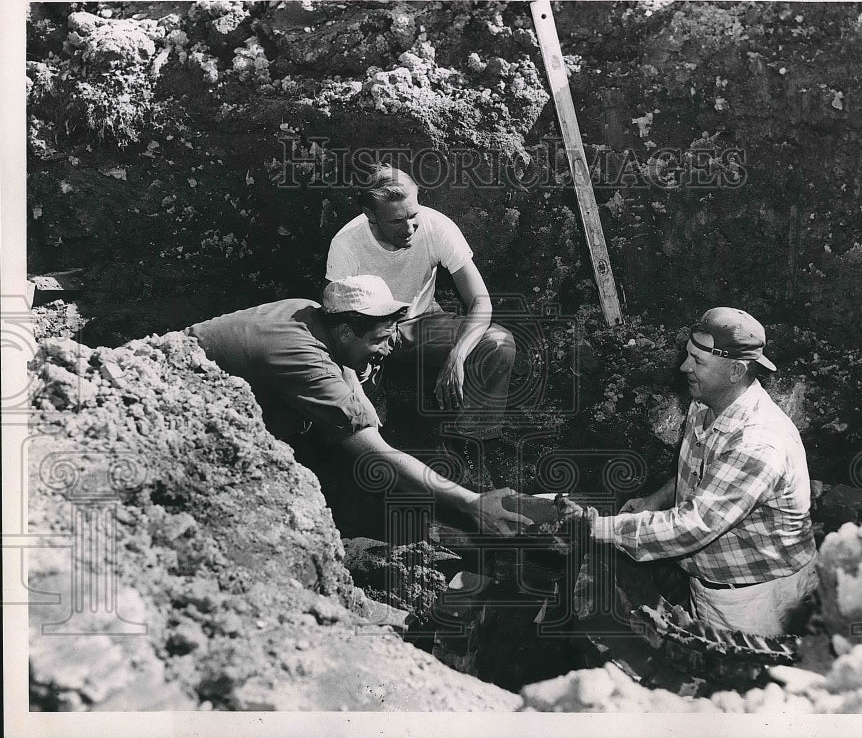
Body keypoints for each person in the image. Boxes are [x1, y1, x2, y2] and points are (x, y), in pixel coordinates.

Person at [187, 275, 529, 537]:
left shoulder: (309, 310)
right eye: (379, 340)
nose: (387, 350)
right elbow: (377, 454)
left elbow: (341, 362)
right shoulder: (308, 363)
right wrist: (471, 503)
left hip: (200, 374)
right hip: (186, 405)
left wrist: (355, 387)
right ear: (346, 333)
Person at [558, 307, 817, 636]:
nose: (684, 367)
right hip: (714, 584)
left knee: (746, 669)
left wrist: (596, 528)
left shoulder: (758, 444)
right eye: (687, 355)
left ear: (736, 371)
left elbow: (692, 526)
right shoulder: (705, 403)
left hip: (759, 599)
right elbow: (702, 472)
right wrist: (656, 500)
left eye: (698, 361)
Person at [325, 164, 515, 489]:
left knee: (497, 343)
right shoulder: (347, 243)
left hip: (422, 323)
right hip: (369, 331)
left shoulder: (436, 226)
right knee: (357, 415)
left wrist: (457, 356)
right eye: (396, 221)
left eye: (413, 214)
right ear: (371, 216)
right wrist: (355, 380)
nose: (409, 227)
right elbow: (334, 320)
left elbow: (480, 302)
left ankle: (470, 444)